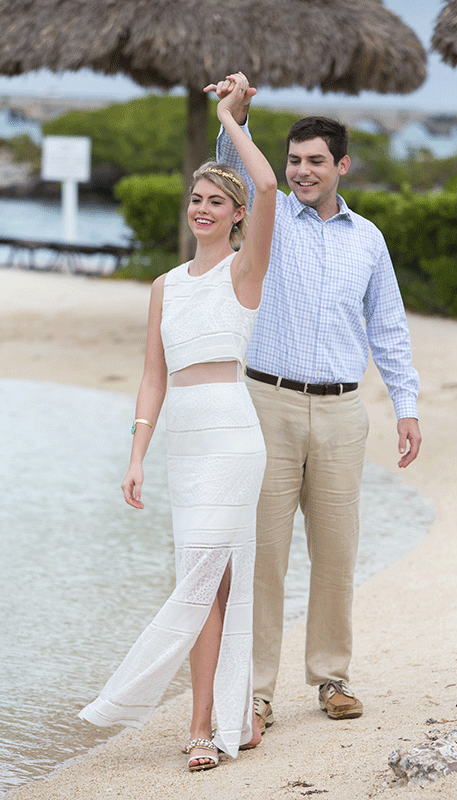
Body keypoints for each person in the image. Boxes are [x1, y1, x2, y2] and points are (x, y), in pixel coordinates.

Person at [78, 73, 277, 772]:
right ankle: (234, 715)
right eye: (196, 198)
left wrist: (231, 116)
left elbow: (272, 189)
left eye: (216, 202)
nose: (201, 208)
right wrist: (136, 455)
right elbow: (152, 378)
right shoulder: (164, 286)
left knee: (203, 579)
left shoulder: (245, 273)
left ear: (236, 214)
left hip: (231, 433)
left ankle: (202, 727)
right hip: (183, 445)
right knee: (207, 580)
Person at [214, 74, 421, 733]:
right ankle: (257, 691)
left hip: (341, 413)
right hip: (266, 403)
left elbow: (388, 328)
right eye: (293, 161)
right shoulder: (264, 213)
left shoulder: (369, 240)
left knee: (336, 551)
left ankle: (332, 677)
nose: (301, 172)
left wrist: (407, 405)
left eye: (314, 162)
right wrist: (234, 122)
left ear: (342, 167)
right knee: (263, 553)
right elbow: (228, 174)